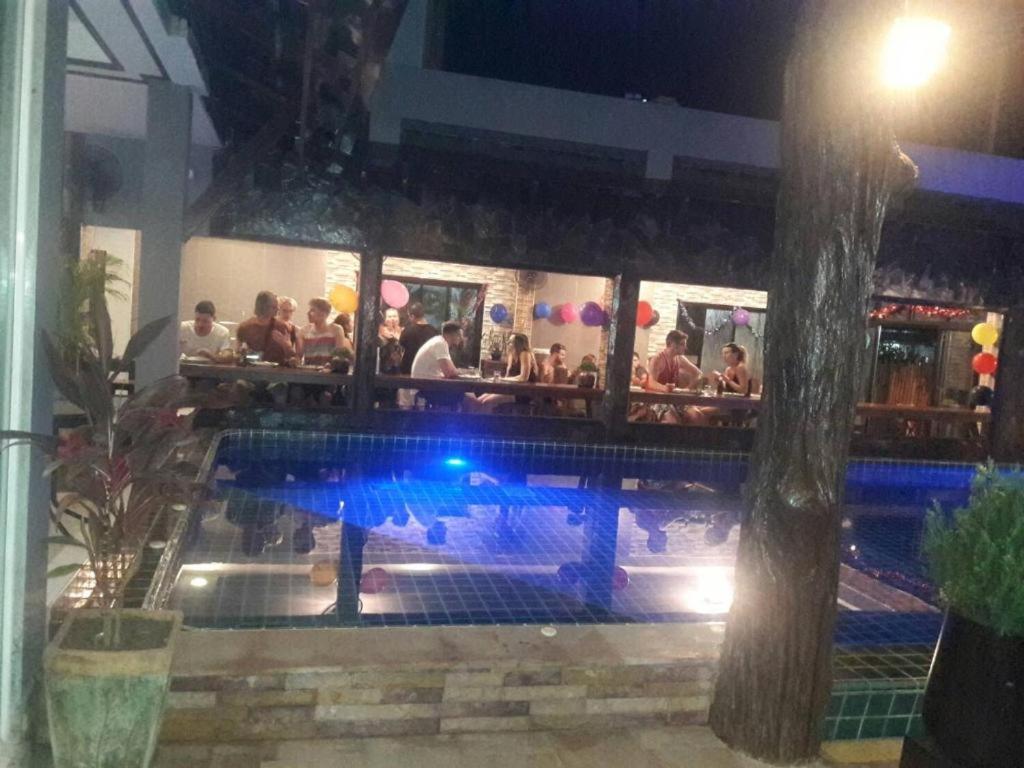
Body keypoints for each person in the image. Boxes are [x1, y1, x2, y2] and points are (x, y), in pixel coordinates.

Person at [409, 321, 478, 410]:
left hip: (427, 385)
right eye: (459, 335)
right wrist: (466, 372)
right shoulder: (440, 344)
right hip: (426, 387)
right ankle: (465, 417)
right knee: (469, 398)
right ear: (452, 335)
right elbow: (449, 373)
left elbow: (451, 370)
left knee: (469, 395)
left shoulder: (440, 342)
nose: (461, 339)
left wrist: (461, 372)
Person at [645, 330, 705, 425]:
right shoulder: (657, 359)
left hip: (674, 399)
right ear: (672, 344)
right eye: (682, 344)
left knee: (697, 416)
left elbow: (699, 374)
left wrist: (687, 389)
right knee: (672, 420)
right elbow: (650, 383)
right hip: (658, 400)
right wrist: (665, 388)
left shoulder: (680, 358)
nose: (685, 347)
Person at [478, 333, 539, 413]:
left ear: (518, 344)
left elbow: (524, 378)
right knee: (479, 400)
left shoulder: (525, 353)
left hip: (523, 392)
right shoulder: (511, 354)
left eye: (511, 342)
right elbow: (508, 376)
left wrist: (502, 379)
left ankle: (486, 421)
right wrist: (500, 381)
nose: (508, 343)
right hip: (511, 389)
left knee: (487, 402)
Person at [236, 290, 298, 365]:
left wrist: (286, 345)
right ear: (263, 307)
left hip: (277, 370)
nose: (277, 309)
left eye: (277, 306)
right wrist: (242, 352)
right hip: (252, 369)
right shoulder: (245, 327)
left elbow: (293, 359)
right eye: (273, 307)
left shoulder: (282, 327)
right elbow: (238, 354)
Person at [299, 298, 352, 367]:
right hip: (309, 371)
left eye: (312, 310)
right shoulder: (304, 330)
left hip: (329, 371)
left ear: (324, 313)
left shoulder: (336, 329)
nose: (308, 313)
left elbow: (338, 356)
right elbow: (299, 356)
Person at [398, 302, 439, 374]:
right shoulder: (434, 331)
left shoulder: (407, 331)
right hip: (427, 369)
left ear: (412, 316)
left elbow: (401, 347)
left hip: (408, 369)